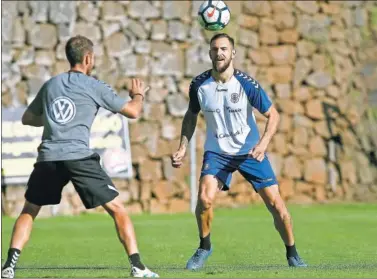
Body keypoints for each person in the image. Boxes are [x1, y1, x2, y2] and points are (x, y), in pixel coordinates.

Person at [1, 35, 159, 278]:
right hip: (78, 157)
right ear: (88, 58)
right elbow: (133, 111)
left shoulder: (51, 85)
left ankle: (8, 267)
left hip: (49, 157)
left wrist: (55, 120)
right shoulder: (94, 86)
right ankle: (138, 267)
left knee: (30, 209)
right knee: (117, 209)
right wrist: (137, 95)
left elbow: (27, 118)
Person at [171, 33, 308, 270]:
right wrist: (182, 146)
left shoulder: (246, 84)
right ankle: (204, 247)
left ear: (233, 53)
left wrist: (263, 144)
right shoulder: (199, 85)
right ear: (209, 53)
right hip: (217, 152)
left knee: (277, 206)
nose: (219, 53)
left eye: (224, 49)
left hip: (249, 152)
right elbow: (191, 115)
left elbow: (273, 115)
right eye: (214, 49)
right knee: (204, 199)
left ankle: (292, 253)